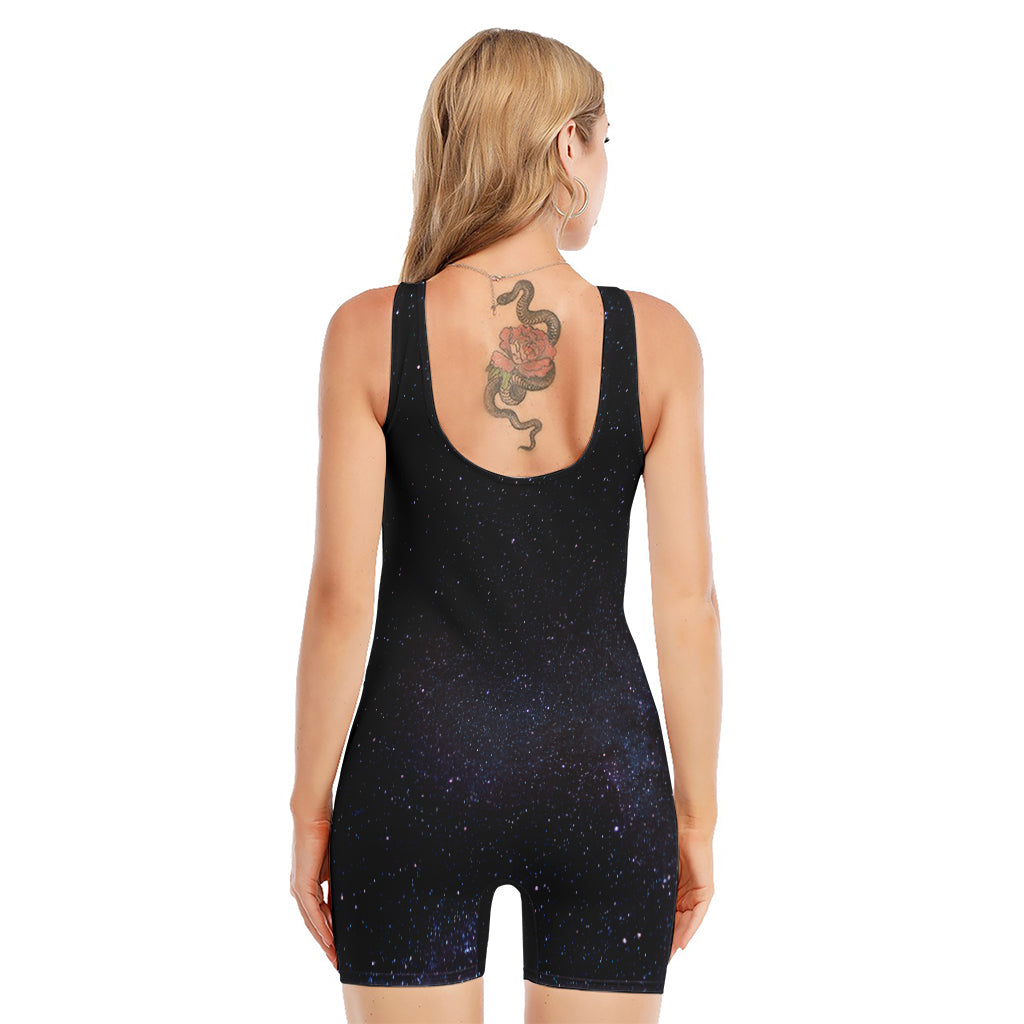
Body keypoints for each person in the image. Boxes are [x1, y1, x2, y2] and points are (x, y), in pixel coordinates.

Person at [290, 27, 722, 1024]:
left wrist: (310, 809)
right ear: (567, 145)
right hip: (604, 778)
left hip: (412, 773)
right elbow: (689, 607)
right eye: (605, 141)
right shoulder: (659, 341)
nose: (605, 169)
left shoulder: (368, 331)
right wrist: (695, 818)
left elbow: (340, 599)